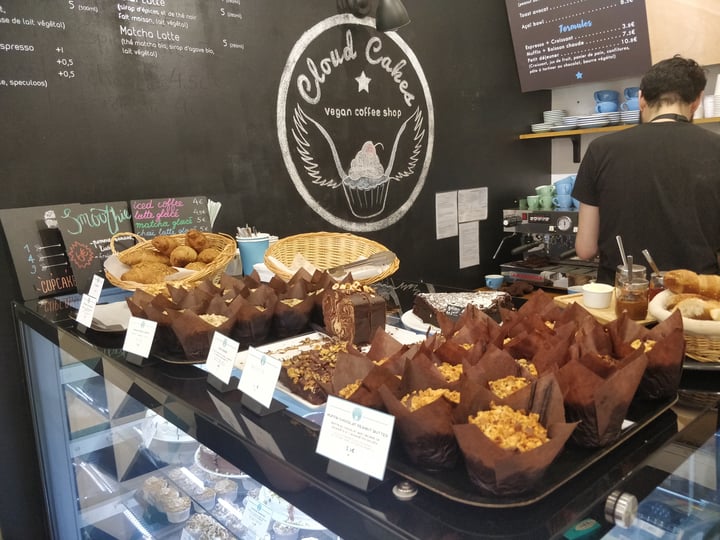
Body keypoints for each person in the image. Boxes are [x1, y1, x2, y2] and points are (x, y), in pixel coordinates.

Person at [573, 55, 720, 284]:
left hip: (621, 304)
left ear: (641, 99)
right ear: (697, 101)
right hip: (695, 304)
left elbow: (585, 249)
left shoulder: (601, 149)